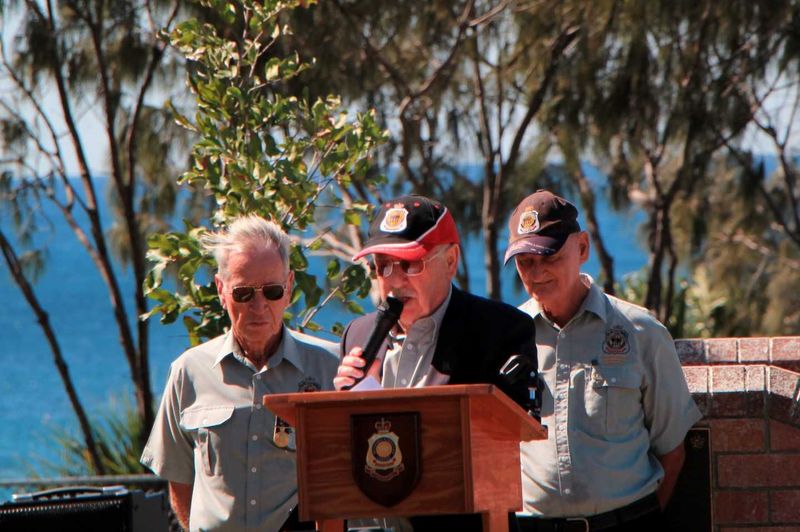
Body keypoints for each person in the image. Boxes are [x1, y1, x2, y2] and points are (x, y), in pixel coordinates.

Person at [334, 194, 539, 531]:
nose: (395, 280)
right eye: (383, 265)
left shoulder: (499, 330)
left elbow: (508, 436)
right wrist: (342, 404)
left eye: (411, 264)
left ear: (451, 261)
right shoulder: (358, 334)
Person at [505, 190, 702, 532]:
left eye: (549, 256)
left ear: (582, 248)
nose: (536, 273)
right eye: (525, 261)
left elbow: (672, 451)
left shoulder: (641, 333)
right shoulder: (507, 338)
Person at [141, 215, 339, 532]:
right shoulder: (189, 372)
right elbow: (178, 475)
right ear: (222, 290)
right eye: (244, 293)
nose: (259, 306)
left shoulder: (331, 369)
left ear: (288, 288)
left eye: (272, 291)